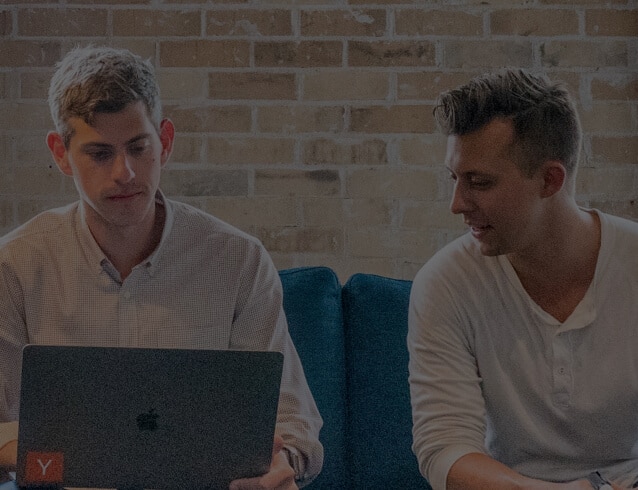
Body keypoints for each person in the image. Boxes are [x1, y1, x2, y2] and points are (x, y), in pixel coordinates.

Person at [0, 45, 323, 489]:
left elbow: (294, 423)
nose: (125, 173)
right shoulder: (14, 266)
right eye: (99, 153)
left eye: (138, 147)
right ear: (60, 153)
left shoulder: (238, 260)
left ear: (165, 142)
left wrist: (281, 464)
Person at [407, 68, 638, 490]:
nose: (457, 204)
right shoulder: (445, 283)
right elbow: (445, 450)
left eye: (479, 182)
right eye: (454, 178)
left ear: (550, 180)